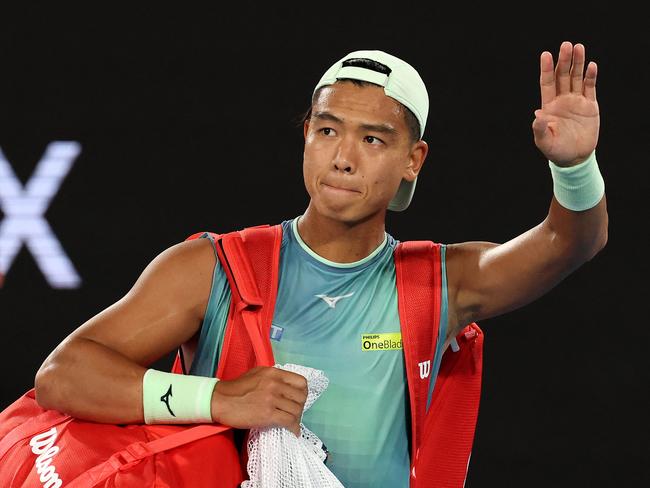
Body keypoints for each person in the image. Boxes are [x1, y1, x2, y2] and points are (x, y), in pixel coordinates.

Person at [33, 41, 608, 487]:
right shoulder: (211, 268)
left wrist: (576, 167)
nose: (343, 157)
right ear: (307, 135)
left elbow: (569, 242)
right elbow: (64, 375)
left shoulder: (443, 283)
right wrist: (217, 398)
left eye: (374, 140)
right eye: (328, 130)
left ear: (414, 159)